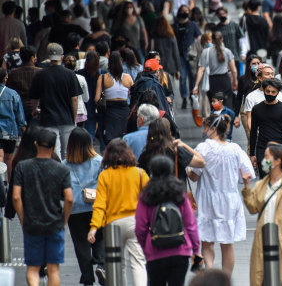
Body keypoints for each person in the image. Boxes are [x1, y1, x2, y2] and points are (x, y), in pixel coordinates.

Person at [188, 114, 255, 276]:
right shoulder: (235, 149)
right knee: (227, 244)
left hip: (208, 199)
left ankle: (210, 275)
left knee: (207, 242)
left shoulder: (203, 148)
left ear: (213, 129)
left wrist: (189, 169)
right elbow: (247, 174)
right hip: (230, 200)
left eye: (205, 127)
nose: (204, 131)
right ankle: (225, 279)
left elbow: (194, 175)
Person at [12, 128, 73, 286]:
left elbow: (16, 196)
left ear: (35, 144)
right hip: (54, 224)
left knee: (32, 269)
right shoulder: (62, 169)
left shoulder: (22, 167)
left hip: (32, 223)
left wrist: (23, 218)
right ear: (53, 147)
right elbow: (69, 198)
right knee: (53, 269)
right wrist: (64, 220)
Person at [88, 139, 149, 286]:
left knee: (117, 265)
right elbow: (150, 200)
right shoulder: (139, 173)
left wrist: (94, 227)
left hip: (113, 225)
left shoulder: (105, 176)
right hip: (136, 221)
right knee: (138, 262)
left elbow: (100, 204)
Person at [135, 155, 201, 286]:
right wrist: (196, 249)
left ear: (152, 171)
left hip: (154, 250)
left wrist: (145, 246)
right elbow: (190, 223)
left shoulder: (147, 195)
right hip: (180, 250)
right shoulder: (179, 193)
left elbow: (140, 227)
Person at [242, 143, 282, 286]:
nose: (264, 160)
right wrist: (247, 187)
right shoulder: (262, 184)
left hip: (280, 240)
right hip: (262, 238)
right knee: (260, 278)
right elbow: (253, 207)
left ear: (278, 161)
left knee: (279, 278)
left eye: (267, 157)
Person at [63, 128, 105, 286]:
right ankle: (101, 265)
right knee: (99, 239)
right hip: (96, 207)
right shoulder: (98, 161)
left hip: (75, 210)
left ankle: (87, 278)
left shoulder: (64, 165)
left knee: (81, 245)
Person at [29, 43, 82, 159]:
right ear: (62, 57)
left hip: (48, 119)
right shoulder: (70, 75)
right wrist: (74, 118)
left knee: (54, 150)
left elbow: (34, 98)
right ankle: (66, 174)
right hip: (67, 118)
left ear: (49, 56)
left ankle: (55, 173)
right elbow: (74, 99)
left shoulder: (41, 75)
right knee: (67, 152)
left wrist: (34, 110)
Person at [249, 78, 282, 178]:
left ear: (278, 92)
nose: (270, 94)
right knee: (264, 178)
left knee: (280, 178)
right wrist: (252, 154)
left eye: (273, 92)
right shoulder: (257, 109)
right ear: (264, 91)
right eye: (268, 91)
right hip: (262, 148)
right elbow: (253, 132)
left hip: (280, 147)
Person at [137, 118, 205, 180]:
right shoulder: (176, 150)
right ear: (168, 132)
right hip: (176, 191)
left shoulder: (145, 154)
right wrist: (184, 145)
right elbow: (202, 162)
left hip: (154, 191)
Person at [193, 31, 238, 110]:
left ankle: (216, 120)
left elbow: (201, 69)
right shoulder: (227, 51)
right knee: (227, 104)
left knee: (215, 106)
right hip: (225, 80)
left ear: (212, 40)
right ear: (222, 39)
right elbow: (233, 70)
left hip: (212, 82)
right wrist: (235, 81)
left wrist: (196, 85)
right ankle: (227, 120)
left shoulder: (206, 52)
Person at [95, 52, 133, 143]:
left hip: (109, 112)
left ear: (109, 63)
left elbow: (96, 99)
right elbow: (133, 97)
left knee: (110, 140)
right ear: (121, 62)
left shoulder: (103, 77)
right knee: (123, 139)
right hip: (124, 111)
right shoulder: (128, 78)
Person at [173, 5, 201, 108]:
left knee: (193, 77)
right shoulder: (175, 26)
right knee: (183, 77)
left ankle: (192, 95)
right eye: (182, 11)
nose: (185, 12)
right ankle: (184, 97)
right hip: (179, 55)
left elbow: (198, 38)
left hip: (191, 55)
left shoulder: (193, 25)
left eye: (187, 11)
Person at [244, 64, 282, 131]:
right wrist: (255, 135)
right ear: (260, 77)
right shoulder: (251, 97)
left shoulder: (280, 95)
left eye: (272, 74)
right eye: (267, 74)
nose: (271, 76)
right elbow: (250, 119)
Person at [0, 67, 26, 179]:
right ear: (5, 78)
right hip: (9, 130)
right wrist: (23, 128)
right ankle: (9, 185)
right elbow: (19, 115)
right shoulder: (12, 94)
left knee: (0, 157)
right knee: (8, 158)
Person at [6, 46, 41, 123]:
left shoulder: (13, 73)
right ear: (32, 58)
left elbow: (9, 91)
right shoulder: (41, 72)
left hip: (19, 107)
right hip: (37, 108)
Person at [234, 54, 261, 146]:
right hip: (246, 110)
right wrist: (236, 116)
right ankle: (251, 159)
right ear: (249, 66)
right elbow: (239, 98)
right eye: (254, 63)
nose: (256, 65)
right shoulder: (243, 79)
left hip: (261, 109)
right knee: (251, 137)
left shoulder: (263, 78)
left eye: (258, 63)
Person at [63, 55, 90, 127]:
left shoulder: (61, 78)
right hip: (80, 111)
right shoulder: (81, 78)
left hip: (64, 111)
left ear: (64, 66)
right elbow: (86, 99)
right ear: (75, 67)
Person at [215, 7, 243, 74]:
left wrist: (242, 53)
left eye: (223, 13)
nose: (222, 15)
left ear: (226, 14)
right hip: (223, 57)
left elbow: (241, 39)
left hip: (235, 56)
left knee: (237, 75)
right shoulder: (217, 27)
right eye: (220, 14)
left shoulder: (234, 25)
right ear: (218, 15)